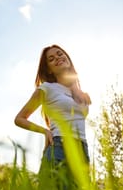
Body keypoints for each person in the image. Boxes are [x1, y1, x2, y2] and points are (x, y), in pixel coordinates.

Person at [14, 44, 91, 172]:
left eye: (60, 54)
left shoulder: (79, 93)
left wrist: (75, 88)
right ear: (49, 70)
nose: (57, 58)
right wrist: (45, 131)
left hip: (82, 151)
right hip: (60, 147)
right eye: (51, 59)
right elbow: (19, 119)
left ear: (68, 58)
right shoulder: (47, 88)